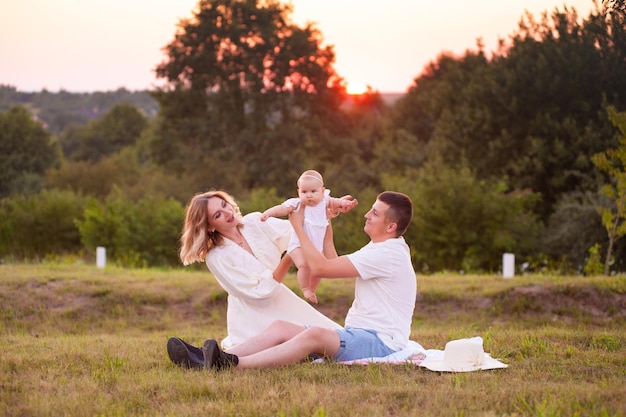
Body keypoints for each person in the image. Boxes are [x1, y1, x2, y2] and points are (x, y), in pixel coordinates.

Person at [168, 191, 416, 371]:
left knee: (314, 335)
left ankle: (233, 364)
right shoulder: (381, 248)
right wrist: (324, 220)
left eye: (374, 212)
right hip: (360, 334)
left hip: (381, 343)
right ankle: (204, 359)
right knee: (280, 327)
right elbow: (329, 258)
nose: (366, 214)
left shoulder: (386, 254)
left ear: (391, 225)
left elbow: (320, 266)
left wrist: (298, 225)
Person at [260, 170, 358, 303]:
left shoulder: (324, 201)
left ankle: (312, 290)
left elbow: (336, 202)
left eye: (313, 191)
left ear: (322, 191)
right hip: (298, 246)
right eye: (304, 192)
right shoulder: (297, 204)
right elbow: (282, 209)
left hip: (316, 248)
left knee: (318, 271)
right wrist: (269, 213)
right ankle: (305, 288)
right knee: (304, 265)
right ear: (298, 192)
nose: (309, 195)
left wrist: (344, 203)